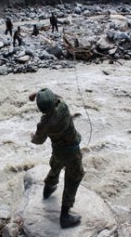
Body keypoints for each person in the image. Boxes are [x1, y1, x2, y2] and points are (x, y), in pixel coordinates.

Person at [29, 88, 84, 229]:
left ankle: (48, 188)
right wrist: (37, 94)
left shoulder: (43, 124)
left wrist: (32, 137)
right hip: (72, 151)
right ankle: (65, 215)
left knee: (56, 166)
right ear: (54, 102)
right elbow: (57, 97)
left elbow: (38, 141)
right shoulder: (63, 108)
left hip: (58, 151)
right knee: (74, 177)